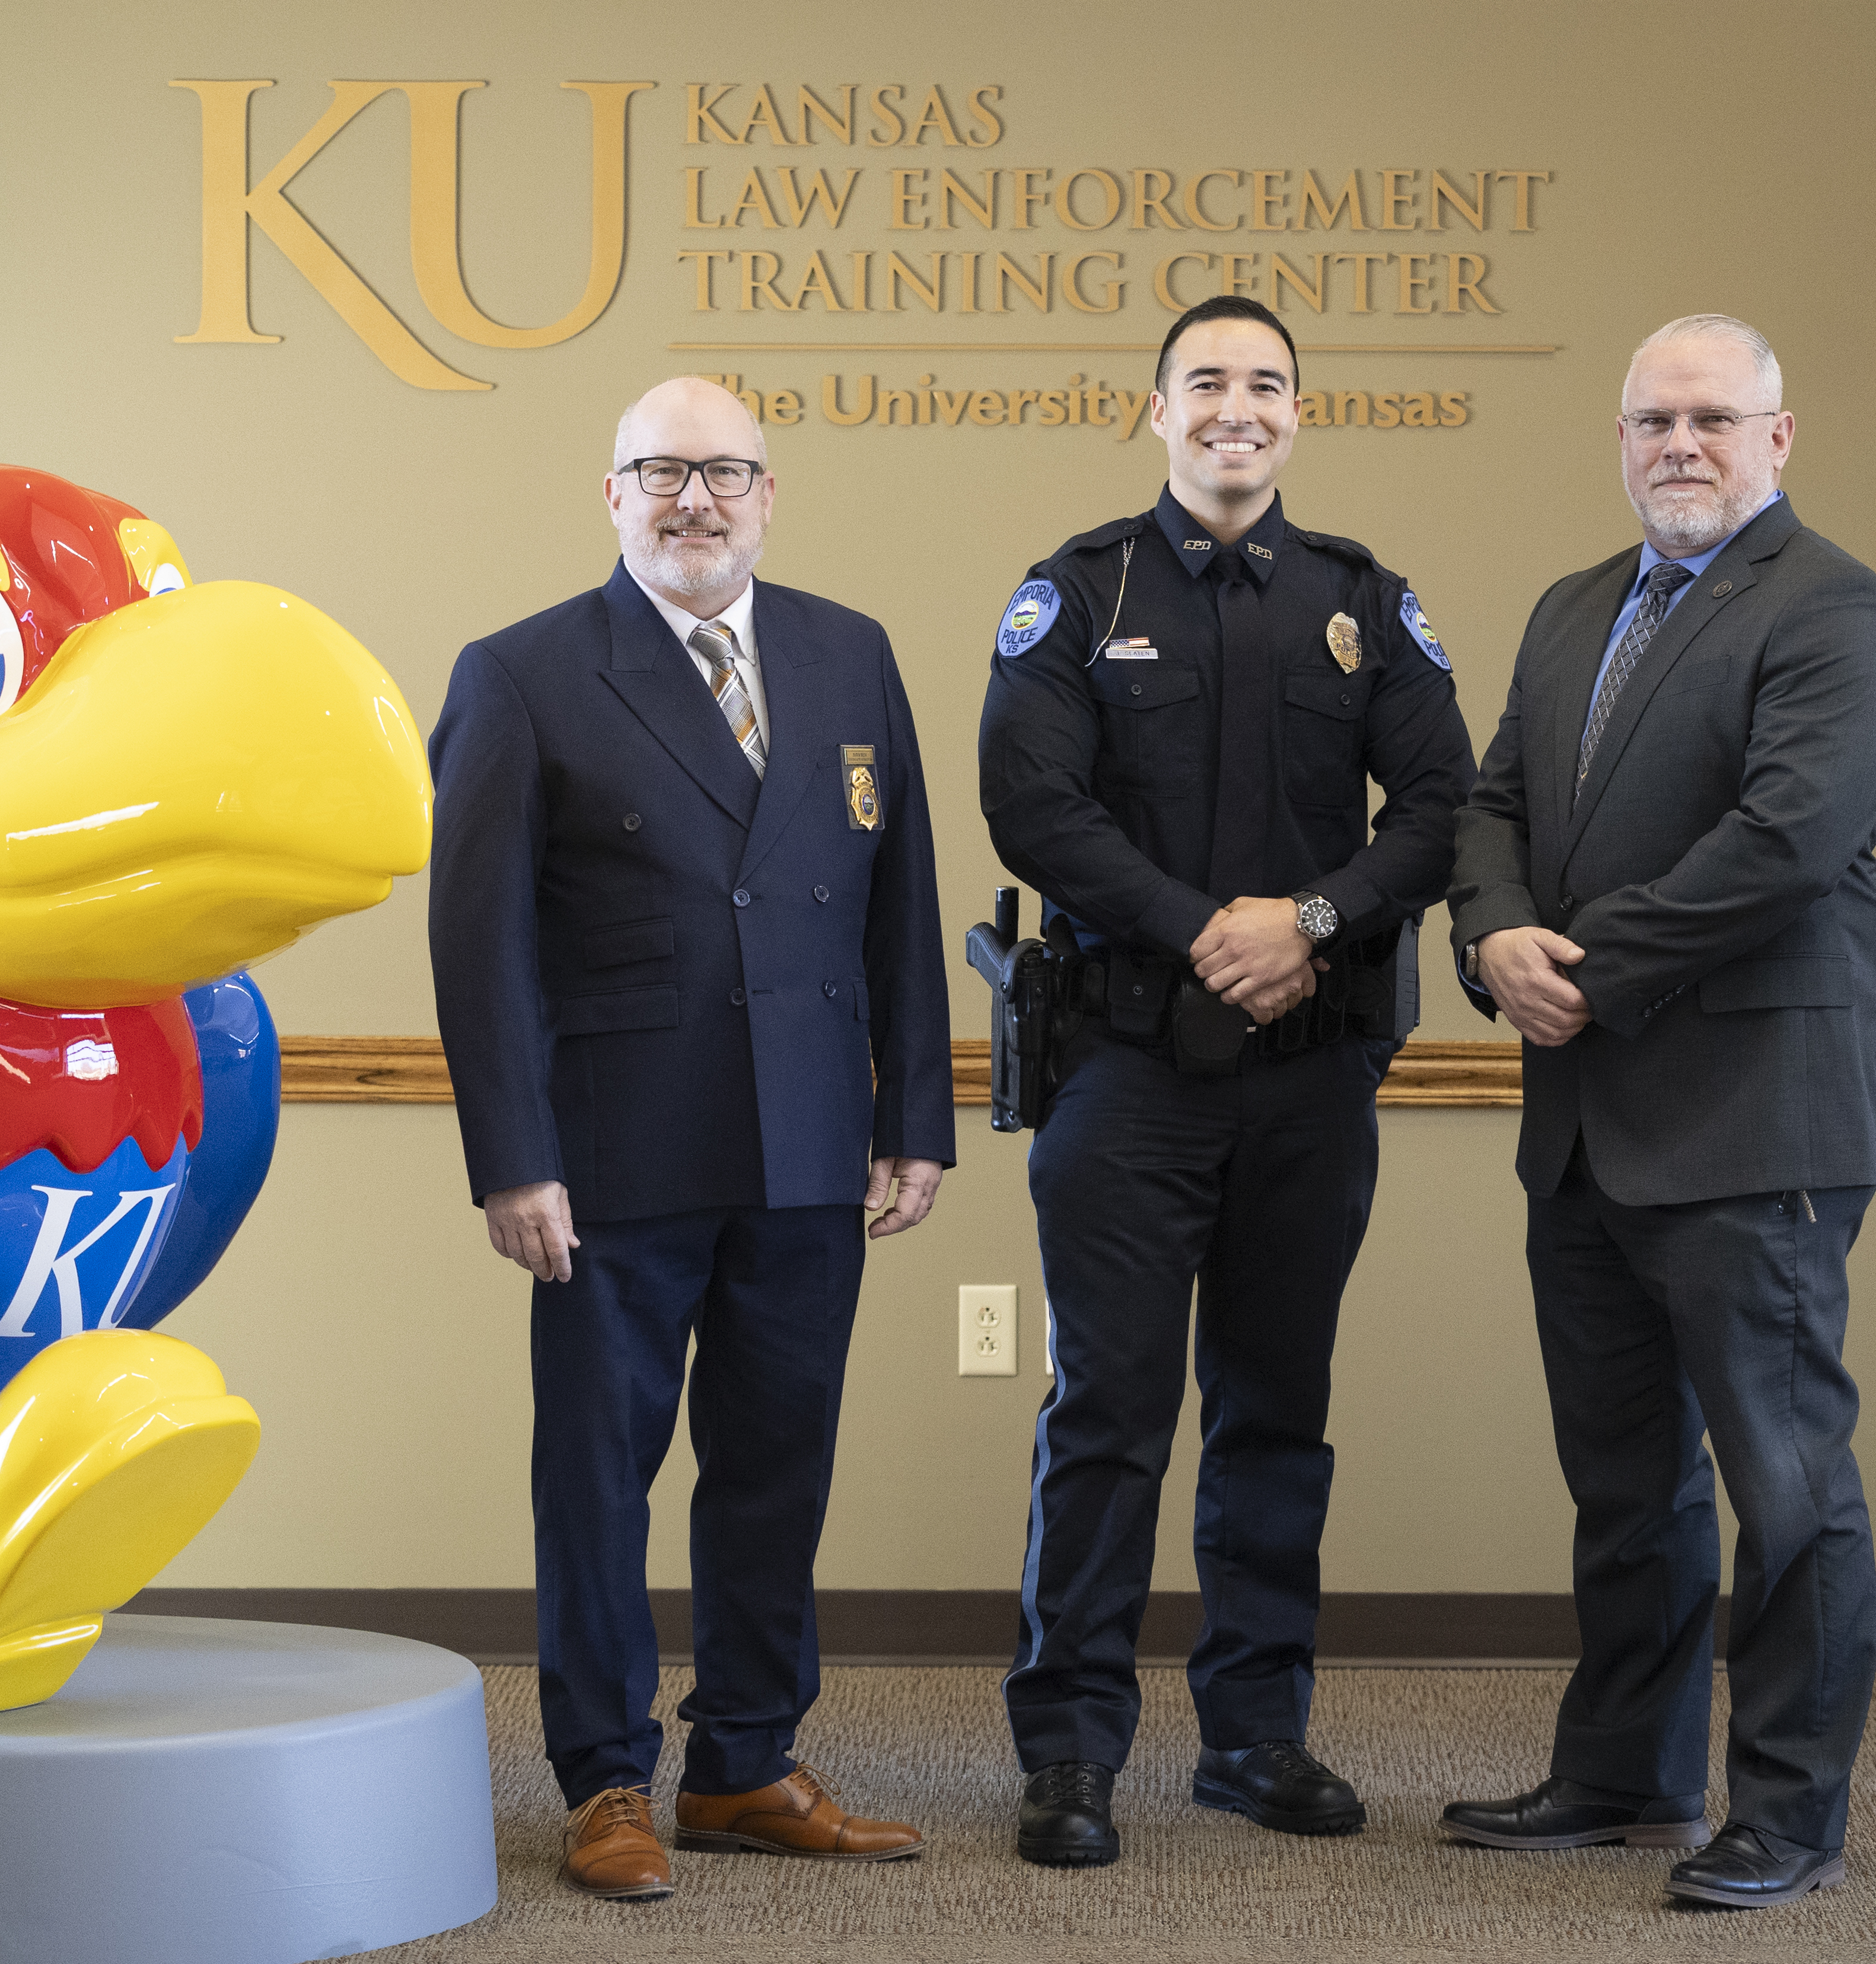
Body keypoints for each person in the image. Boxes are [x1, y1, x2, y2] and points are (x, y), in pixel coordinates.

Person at [426, 377, 954, 1902]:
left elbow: (899, 896)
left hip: (807, 1142)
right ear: (612, 496)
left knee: (776, 1465)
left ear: (769, 496)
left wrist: (911, 1111)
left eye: (726, 474)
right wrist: (513, 1159)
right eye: (661, 472)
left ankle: (742, 1761)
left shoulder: (846, 653)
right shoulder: (521, 674)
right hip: (607, 1159)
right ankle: (605, 1779)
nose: (695, 500)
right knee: (598, 1472)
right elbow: (481, 946)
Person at [977, 296, 1476, 1868]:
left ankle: (1257, 1740)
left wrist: (1312, 924)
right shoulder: (1077, 594)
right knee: (1108, 1412)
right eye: (1208, 383)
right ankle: (1069, 1754)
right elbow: (1030, 806)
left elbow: (1447, 803)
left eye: (1265, 384)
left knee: (1277, 1412)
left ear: (1296, 415)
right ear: (1158, 409)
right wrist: (1212, 930)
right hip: (1125, 1073)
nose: (1235, 408)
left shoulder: (1363, 606)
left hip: (1310, 1078)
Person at [1438, 314, 1876, 1909]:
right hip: (1585, 1119)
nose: (1682, 445)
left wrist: (1579, 969)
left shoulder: (1837, 610)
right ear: (1622, 440)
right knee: (1624, 1479)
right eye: (1654, 420)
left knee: (1785, 1487)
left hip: (1753, 1120)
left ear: (1780, 438)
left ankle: (1787, 1814)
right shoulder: (1580, 607)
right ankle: (1623, 1772)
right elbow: (1492, 803)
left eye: (1715, 416)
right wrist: (1489, 938)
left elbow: (1789, 841)